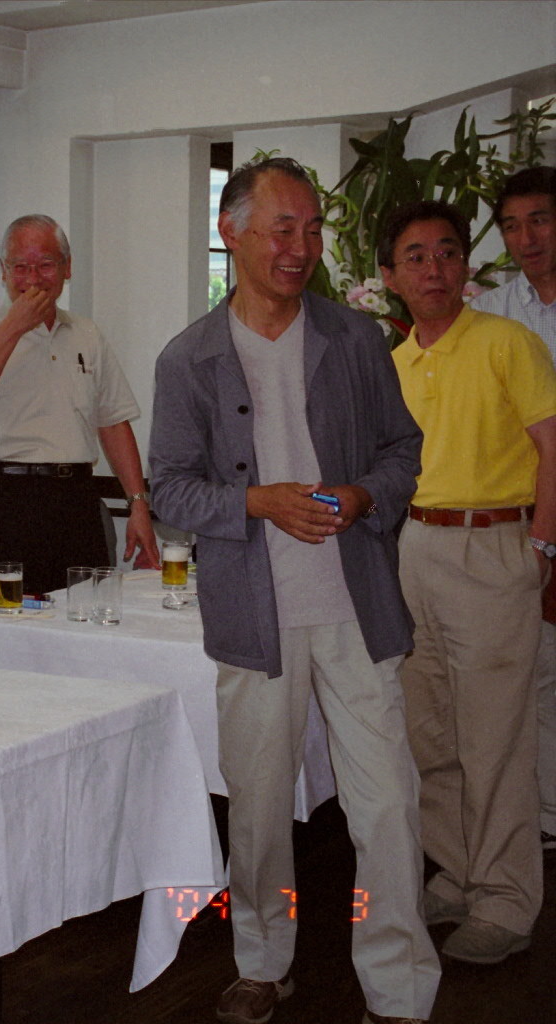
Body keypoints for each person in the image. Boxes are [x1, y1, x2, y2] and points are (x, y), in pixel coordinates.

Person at [149, 157, 438, 1024]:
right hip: (254, 618)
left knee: (387, 807)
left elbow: (402, 452)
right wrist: (255, 503)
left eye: (312, 230)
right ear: (231, 232)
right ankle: (261, 962)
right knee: (259, 810)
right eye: (284, 229)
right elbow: (170, 490)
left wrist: (364, 496)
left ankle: (398, 984)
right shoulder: (189, 358)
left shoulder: (355, 340)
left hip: (357, 609)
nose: (301, 248)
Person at [382, 199, 555, 965]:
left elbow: (553, 446)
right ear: (391, 277)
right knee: (431, 735)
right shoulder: (393, 363)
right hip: (414, 547)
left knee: (496, 739)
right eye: (416, 257)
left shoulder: (508, 342)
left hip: (493, 547)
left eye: (447, 253)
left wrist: (541, 545)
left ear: (466, 266)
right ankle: (457, 874)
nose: (434, 269)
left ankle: (507, 901)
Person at [0, 213, 158, 600]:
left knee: (89, 611)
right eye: (20, 267)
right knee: (15, 620)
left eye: (45, 265)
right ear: (3, 271)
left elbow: (112, 422)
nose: (33, 278)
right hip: (7, 500)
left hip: (77, 498)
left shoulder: (87, 333)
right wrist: (13, 327)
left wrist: (138, 505)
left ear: (66, 268)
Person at [469, 165, 556, 855]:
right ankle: (544, 816)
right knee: (535, 670)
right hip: (523, 513)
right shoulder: (493, 313)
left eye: (541, 220)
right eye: (513, 225)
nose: (527, 237)